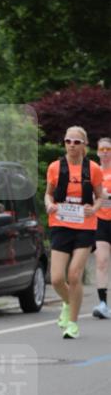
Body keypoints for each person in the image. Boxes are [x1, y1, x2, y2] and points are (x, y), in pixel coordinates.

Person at [44, 126, 104, 339]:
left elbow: (100, 196)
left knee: (74, 274)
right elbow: (48, 194)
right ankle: (69, 302)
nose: (72, 145)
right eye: (68, 141)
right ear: (64, 143)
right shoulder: (55, 167)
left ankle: (73, 324)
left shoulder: (93, 169)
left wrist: (94, 209)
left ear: (84, 145)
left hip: (85, 227)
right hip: (61, 224)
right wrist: (49, 205)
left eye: (77, 142)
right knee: (58, 278)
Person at [92, 136, 111, 319]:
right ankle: (103, 303)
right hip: (101, 221)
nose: (105, 153)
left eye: (108, 149)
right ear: (97, 152)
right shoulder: (93, 172)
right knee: (102, 261)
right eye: (102, 149)